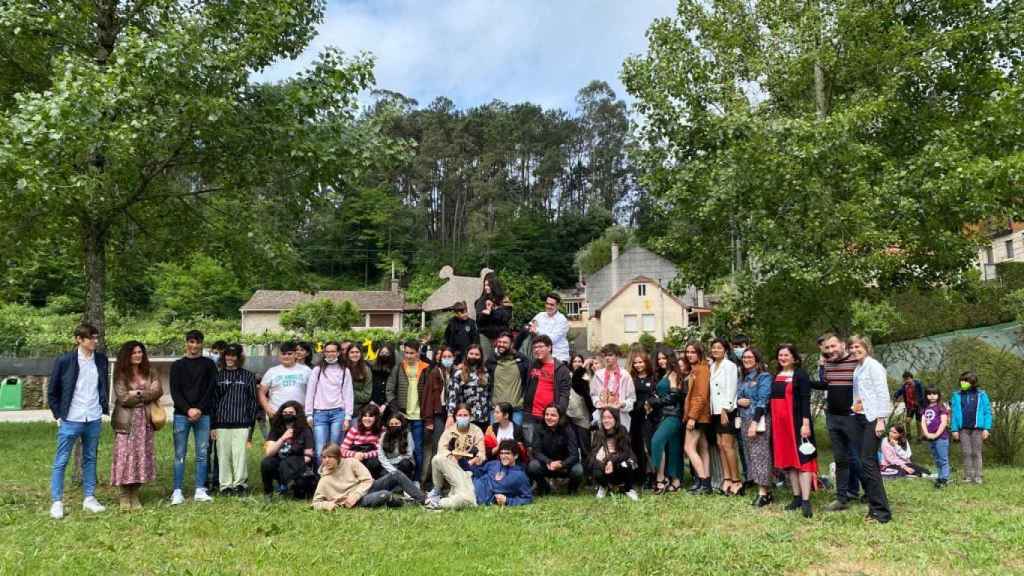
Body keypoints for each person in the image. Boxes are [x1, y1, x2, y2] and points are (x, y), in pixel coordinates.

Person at [813, 333, 863, 511]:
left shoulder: (857, 361)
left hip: (852, 418)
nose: (830, 350)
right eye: (826, 348)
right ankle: (842, 498)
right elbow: (827, 384)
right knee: (840, 459)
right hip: (833, 417)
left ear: (842, 344)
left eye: (833, 346)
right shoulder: (827, 363)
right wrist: (803, 382)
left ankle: (871, 494)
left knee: (858, 458)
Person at [110, 340, 162, 510]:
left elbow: (158, 391)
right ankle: (124, 495)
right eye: (134, 353)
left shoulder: (150, 372)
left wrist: (136, 393)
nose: (138, 355)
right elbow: (123, 398)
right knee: (125, 457)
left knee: (142, 456)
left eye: (140, 352)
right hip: (127, 422)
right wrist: (145, 394)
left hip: (145, 422)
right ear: (127, 355)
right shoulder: (120, 373)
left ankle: (135, 494)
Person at [169, 329, 218, 505]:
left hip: (203, 415)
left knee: (202, 453)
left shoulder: (209, 364)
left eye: (197, 342)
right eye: (191, 342)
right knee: (179, 454)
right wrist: (188, 409)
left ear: (202, 344)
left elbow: (211, 389)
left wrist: (199, 409)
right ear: (186, 343)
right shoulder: (177, 365)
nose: (194, 346)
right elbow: (175, 391)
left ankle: (200, 489)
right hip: (182, 415)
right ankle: (177, 491)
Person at [770, 344, 817, 518]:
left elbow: (805, 400)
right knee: (790, 462)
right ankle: (796, 497)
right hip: (780, 426)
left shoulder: (800, 375)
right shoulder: (777, 376)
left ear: (794, 358)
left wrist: (805, 424)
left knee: (803, 460)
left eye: (786, 355)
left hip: (797, 423)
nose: (783, 358)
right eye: (780, 355)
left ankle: (806, 500)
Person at [849, 334, 893, 524]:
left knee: (868, 463)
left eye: (858, 347)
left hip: (874, 419)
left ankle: (882, 512)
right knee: (865, 462)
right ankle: (874, 507)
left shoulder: (874, 366)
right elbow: (862, 393)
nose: (854, 350)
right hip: (860, 417)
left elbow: (883, 393)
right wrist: (856, 405)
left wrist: (881, 419)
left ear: (867, 348)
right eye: (852, 347)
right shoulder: (858, 368)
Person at [312, 444, 426, 510]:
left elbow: (368, 480)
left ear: (338, 457)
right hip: (355, 503)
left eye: (330, 457)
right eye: (324, 457)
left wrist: (356, 494)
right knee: (384, 495)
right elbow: (315, 503)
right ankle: (407, 504)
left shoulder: (351, 462)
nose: (326, 460)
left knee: (396, 474)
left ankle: (424, 500)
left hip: (365, 490)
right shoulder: (324, 480)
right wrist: (328, 505)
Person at [425, 440, 532, 510]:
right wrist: (461, 459)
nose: (503, 456)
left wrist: (508, 500)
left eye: (507, 454)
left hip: (473, 498)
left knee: (459, 501)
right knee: (437, 459)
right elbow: (475, 472)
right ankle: (436, 492)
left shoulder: (519, 476)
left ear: (516, 456)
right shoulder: (494, 464)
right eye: (502, 453)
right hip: (467, 481)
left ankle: (436, 503)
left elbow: (527, 498)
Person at [210, 343, 259, 495]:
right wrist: (213, 425)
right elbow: (213, 401)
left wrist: (250, 423)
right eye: (228, 355)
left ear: (239, 358)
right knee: (223, 456)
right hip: (222, 422)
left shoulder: (248, 376)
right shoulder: (217, 376)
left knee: (240, 456)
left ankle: (240, 484)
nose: (230, 358)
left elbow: (253, 401)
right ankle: (225, 486)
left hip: (242, 422)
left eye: (234, 355)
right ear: (224, 357)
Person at [386, 339, 431, 482]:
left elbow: (430, 392)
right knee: (401, 449)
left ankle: (416, 480)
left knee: (417, 450)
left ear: (418, 353)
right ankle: (399, 480)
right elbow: (390, 389)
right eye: (406, 353)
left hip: (418, 416)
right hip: (403, 416)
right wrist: (396, 410)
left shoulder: (426, 368)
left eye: (412, 353)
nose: (408, 356)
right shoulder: (399, 367)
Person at [737, 347, 773, 507]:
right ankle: (765, 490)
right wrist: (739, 401)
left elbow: (763, 400)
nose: (746, 359)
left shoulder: (764, 377)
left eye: (750, 357)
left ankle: (763, 494)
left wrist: (754, 422)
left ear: (757, 359)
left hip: (758, 420)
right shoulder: (743, 378)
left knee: (760, 455)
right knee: (750, 455)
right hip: (744, 418)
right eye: (744, 357)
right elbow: (738, 396)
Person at [428, 404, 486, 505]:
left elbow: (482, 454)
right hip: (452, 464)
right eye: (460, 415)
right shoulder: (449, 431)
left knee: (462, 497)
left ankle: (452, 497)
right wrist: (452, 458)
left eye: (465, 415)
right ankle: (437, 490)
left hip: (469, 468)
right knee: (436, 459)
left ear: (470, 417)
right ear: (455, 417)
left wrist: (473, 461)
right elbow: (441, 449)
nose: (462, 418)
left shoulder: (476, 431)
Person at [647, 349, 685, 494]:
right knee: (674, 447)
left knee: (656, 441)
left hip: (673, 415)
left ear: (670, 359)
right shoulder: (665, 374)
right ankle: (676, 480)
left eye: (664, 358)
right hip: (665, 415)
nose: (661, 361)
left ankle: (660, 478)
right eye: (659, 359)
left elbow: (674, 396)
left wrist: (655, 401)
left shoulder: (674, 374)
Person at [261, 401, 316, 500]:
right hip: (279, 463)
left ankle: (291, 487)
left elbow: (308, 456)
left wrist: (290, 465)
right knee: (266, 463)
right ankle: (268, 493)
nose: (287, 415)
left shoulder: (305, 430)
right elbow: (269, 452)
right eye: (285, 413)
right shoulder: (276, 428)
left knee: (299, 495)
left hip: (298, 465)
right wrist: (283, 438)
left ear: (297, 414)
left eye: (291, 413)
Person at [523, 335, 572, 444]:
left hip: (549, 417)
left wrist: (559, 413)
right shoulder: (533, 365)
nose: (537, 350)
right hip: (530, 415)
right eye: (535, 347)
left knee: (548, 448)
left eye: (540, 346)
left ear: (549, 348)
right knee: (530, 447)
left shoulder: (561, 369)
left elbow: (564, 394)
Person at [527, 404, 583, 494]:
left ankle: (572, 490)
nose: (549, 417)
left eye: (553, 415)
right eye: (547, 414)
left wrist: (561, 464)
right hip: (547, 465)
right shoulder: (539, 428)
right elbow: (536, 452)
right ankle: (544, 487)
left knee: (578, 470)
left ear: (560, 417)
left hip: (564, 465)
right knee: (533, 466)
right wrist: (548, 461)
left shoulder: (568, 429)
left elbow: (574, 455)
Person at [708, 338, 741, 495]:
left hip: (726, 410)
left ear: (725, 350)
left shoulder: (730, 366)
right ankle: (726, 479)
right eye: (713, 348)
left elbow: (732, 388)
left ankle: (736, 481)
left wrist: (724, 410)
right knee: (720, 445)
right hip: (714, 410)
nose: (715, 350)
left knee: (728, 445)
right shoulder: (712, 366)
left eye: (719, 348)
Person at [951, 370, 993, 485]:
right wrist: (954, 429)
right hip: (963, 429)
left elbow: (987, 412)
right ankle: (968, 476)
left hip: (977, 429)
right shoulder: (956, 395)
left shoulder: (981, 394)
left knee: (976, 453)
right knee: (966, 453)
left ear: (972, 382)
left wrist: (986, 428)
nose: (963, 383)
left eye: (965, 381)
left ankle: (978, 476)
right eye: (962, 381)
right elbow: (954, 413)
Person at [589, 408, 639, 501]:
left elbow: (626, 452)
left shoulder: (622, 430)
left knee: (627, 464)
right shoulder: (599, 433)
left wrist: (612, 461)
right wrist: (599, 460)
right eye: (604, 418)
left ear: (615, 419)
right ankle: (604, 486)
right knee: (594, 467)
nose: (606, 420)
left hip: (618, 461)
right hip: (604, 462)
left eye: (610, 417)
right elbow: (592, 454)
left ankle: (628, 488)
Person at [682, 343, 712, 494]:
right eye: (687, 352)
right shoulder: (695, 369)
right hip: (700, 415)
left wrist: (692, 417)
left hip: (698, 415)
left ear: (699, 353)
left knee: (688, 448)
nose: (689, 354)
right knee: (703, 448)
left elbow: (701, 396)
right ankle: (705, 482)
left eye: (693, 352)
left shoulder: (702, 369)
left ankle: (704, 483)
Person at [421, 345, 453, 486]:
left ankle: (447, 480)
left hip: (452, 414)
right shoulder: (435, 372)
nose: (447, 359)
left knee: (450, 447)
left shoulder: (457, 372)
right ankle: (432, 482)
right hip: (438, 414)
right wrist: (428, 419)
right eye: (444, 357)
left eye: (449, 357)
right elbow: (427, 396)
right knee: (437, 447)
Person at [485, 331, 529, 426]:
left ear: (512, 344)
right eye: (499, 342)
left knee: (514, 439)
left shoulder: (522, 361)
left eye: (505, 342)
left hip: (516, 409)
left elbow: (528, 381)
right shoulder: (491, 361)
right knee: (494, 439)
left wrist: (523, 399)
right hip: (496, 410)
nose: (501, 345)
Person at [591, 344, 637, 432]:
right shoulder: (598, 375)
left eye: (610, 355)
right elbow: (594, 395)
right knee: (604, 443)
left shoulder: (625, 375)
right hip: (603, 417)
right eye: (605, 355)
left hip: (620, 417)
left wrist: (622, 404)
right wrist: (598, 402)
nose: (607, 358)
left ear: (617, 356)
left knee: (620, 444)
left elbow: (631, 399)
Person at [259, 342, 311, 418]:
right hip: (277, 414)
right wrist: (267, 408)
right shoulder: (272, 371)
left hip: (300, 414)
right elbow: (261, 392)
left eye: (289, 354)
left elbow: (313, 392)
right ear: (279, 356)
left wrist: (308, 410)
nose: (286, 356)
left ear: (295, 355)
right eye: (283, 354)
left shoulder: (306, 370)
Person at [447, 343, 491, 431]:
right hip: (466, 418)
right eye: (471, 354)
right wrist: (450, 415)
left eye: (477, 354)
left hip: (483, 418)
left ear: (481, 356)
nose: (473, 356)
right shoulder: (458, 373)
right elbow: (452, 396)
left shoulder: (485, 372)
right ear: (467, 354)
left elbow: (488, 393)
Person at [629, 350, 657, 488]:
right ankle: (641, 476)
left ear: (646, 362)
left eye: (640, 362)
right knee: (637, 447)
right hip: (635, 417)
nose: (638, 365)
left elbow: (656, 395)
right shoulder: (631, 378)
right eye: (635, 363)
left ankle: (653, 475)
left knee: (649, 447)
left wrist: (650, 403)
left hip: (650, 416)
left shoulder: (653, 377)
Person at [339, 404, 384, 477]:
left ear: (376, 418)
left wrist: (365, 455)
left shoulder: (381, 430)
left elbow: (380, 451)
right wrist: (355, 454)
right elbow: (342, 450)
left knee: (374, 462)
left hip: (371, 461)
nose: (367, 419)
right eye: (365, 416)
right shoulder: (354, 430)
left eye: (370, 416)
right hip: (356, 459)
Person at [475, 271, 512, 360]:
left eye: (488, 285)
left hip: (501, 336)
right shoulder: (481, 301)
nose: (486, 287)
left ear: (494, 286)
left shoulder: (504, 300)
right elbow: (479, 321)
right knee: (486, 360)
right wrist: (485, 314)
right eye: (485, 285)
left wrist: (492, 312)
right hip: (485, 336)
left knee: (502, 360)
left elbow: (506, 317)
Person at [921, 386, 951, 488]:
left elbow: (943, 422)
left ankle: (944, 479)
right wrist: (927, 434)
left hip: (941, 438)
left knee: (943, 459)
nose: (932, 396)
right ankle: (940, 476)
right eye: (929, 394)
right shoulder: (925, 408)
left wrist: (936, 434)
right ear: (926, 396)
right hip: (930, 438)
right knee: (936, 459)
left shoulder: (941, 407)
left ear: (938, 395)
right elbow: (923, 422)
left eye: (934, 394)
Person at [566, 354, 595, 461]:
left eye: (580, 361)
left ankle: (587, 471)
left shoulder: (588, 375)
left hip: (584, 415)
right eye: (575, 361)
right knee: (572, 445)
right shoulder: (568, 375)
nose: (577, 363)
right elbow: (576, 381)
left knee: (585, 445)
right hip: (570, 414)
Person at [529, 292, 571, 362]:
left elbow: (551, 339)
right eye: (547, 303)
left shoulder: (562, 320)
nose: (548, 306)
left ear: (557, 306)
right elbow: (530, 327)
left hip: (558, 357)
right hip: (542, 357)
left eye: (551, 305)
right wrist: (533, 328)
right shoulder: (540, 315)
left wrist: (537, 330)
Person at [378, 411, 416, 479]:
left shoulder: (407, 434)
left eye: (396, 423)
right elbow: (381, 456)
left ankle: (406, 486)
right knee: (382, 474)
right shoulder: (384, 435)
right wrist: (392, 469)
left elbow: (408, 454)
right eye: (391, 424)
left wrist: (394, 462)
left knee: (405, 464)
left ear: (401, 424)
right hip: (389, 465)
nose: (394, 426)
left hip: (403, 463)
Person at [894, 371, 925, 440]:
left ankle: (919, 437)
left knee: (918, 421)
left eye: (907, 379)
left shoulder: (918, 384)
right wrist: (896, 398)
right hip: (910, 406)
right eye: (905, 379)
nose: (906, 381)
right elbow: (899, 392)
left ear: (911, 378)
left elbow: (922, 395)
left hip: (918, 406)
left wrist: (918, 402)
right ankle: (908, 435)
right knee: (907, 421)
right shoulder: (905, 386)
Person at [347, 344, 374, 415]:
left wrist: (348, 392)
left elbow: (366, 395)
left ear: (361, 354)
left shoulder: (366, 370)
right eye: (352, 352)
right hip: (340, 409)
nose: (355, 354)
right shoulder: (342, 368)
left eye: (357, 352)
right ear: (348, 354)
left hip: (358, 410)